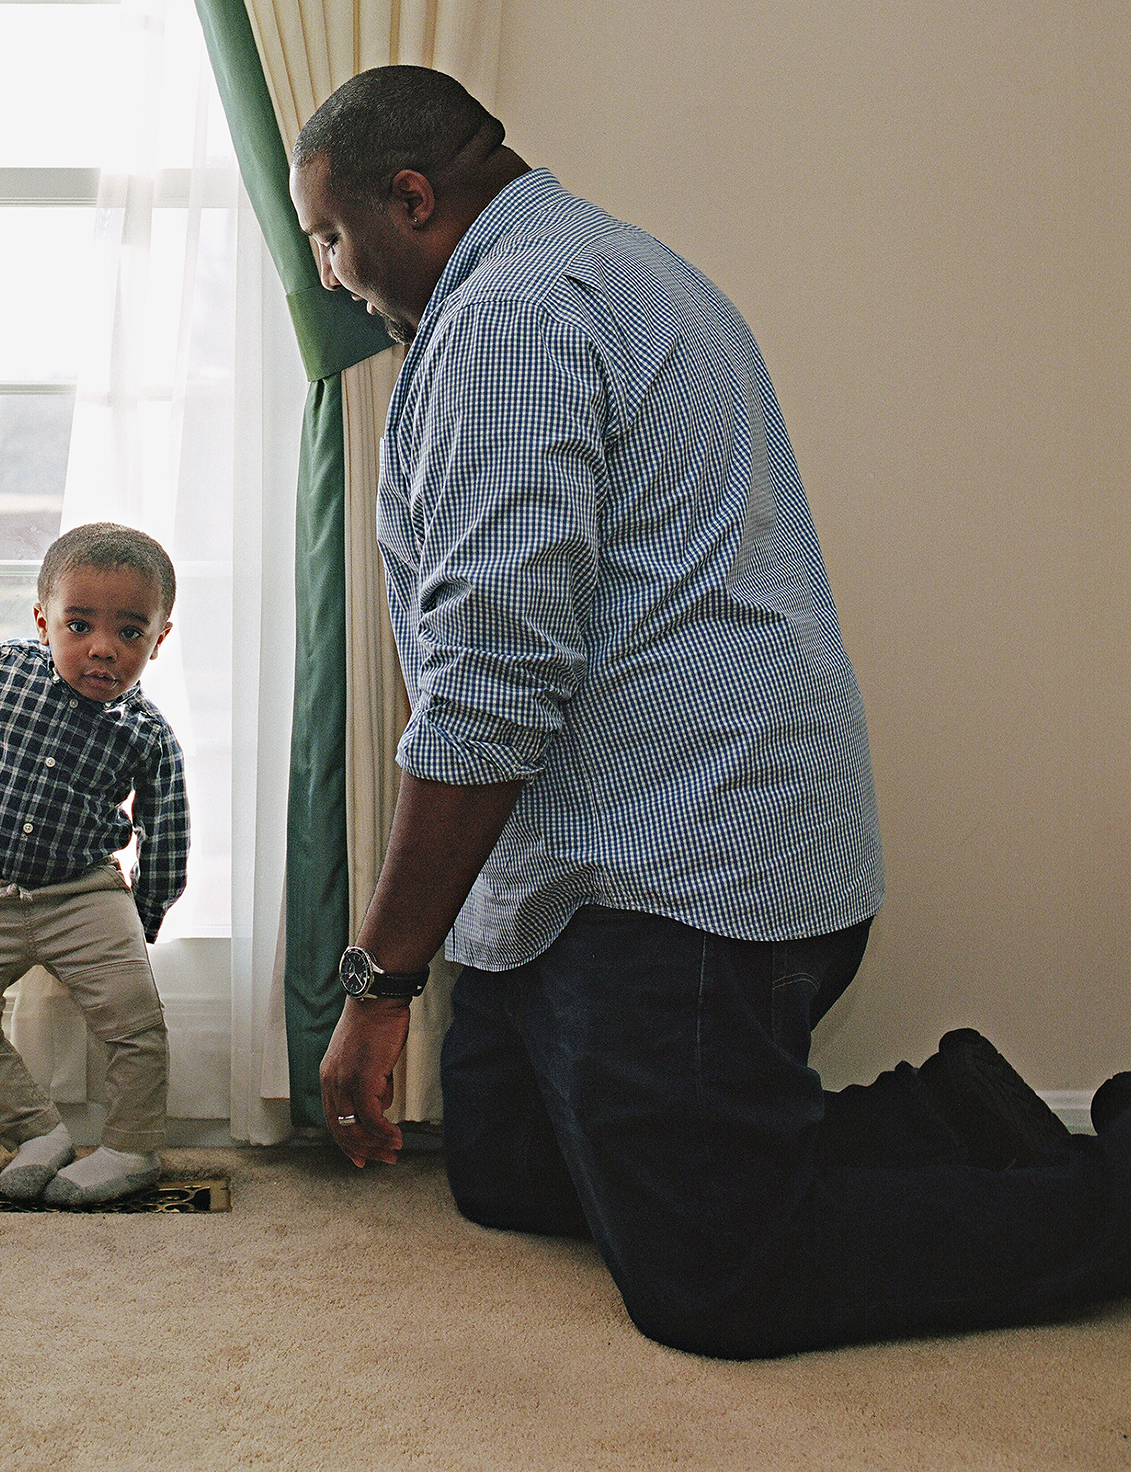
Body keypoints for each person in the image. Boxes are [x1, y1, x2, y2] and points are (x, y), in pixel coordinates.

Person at [291, 65, 1131, 1358]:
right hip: (617, 857)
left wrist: (378, 984)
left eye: (332, 239)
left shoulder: (510, 317)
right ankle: (957, 1115)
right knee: (506, 1170)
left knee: (721, 1283)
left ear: (410, 198)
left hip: (679, 880)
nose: (335, 277)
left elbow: (492, 693)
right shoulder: (612, 260)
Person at [0, 523, 187, 1207]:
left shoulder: (147, 734)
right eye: (79, 624)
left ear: (158, 640)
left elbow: (166, 835)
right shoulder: (7, 669)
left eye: (129, 633)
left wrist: (138, 922)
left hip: (84, 896)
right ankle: (35, 1132)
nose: (102, 648)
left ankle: (131, 1147)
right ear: (42, 621)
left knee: (134, 1021)